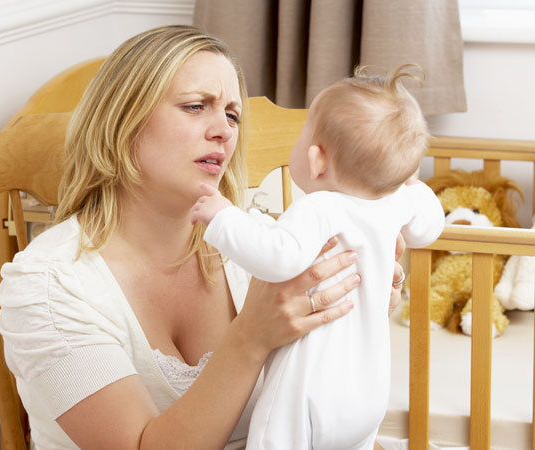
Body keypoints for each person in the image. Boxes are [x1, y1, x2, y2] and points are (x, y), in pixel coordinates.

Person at [0, 25, 404, 450]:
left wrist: (359, 303)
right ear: (122, 121)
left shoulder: (257, 245)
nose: (224, 131)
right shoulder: (48, 287)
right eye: (195, 106)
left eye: (232, 115)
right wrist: (251, 335)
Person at [190, 66, 445, 450]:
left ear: (316, 160)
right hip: (368, 391)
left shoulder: (320, 208)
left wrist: (223, 217)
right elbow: (429, 227)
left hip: (312, 389)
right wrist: (411, 183)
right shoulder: (397, 203)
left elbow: (278, 256)